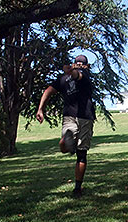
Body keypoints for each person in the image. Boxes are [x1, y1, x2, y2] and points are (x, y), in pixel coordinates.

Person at [36, 55, 95, 198]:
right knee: (81, 154)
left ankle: (65, 143)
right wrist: (40, 108)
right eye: (78, 63)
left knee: (75, 149)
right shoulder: (75, 76)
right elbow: (51, 89)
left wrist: (40, 108)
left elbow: (50, 90)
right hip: (84, 118)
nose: (80, 65)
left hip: (72, 116)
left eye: (81, 63)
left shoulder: (76, 76)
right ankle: (77, 188)